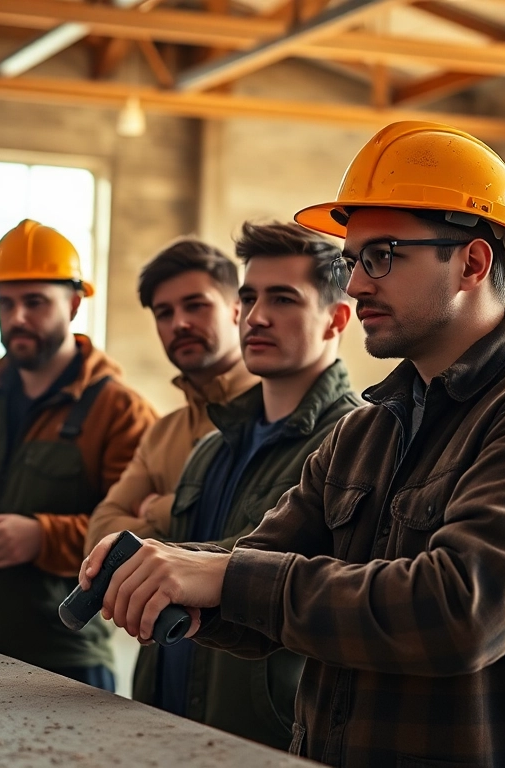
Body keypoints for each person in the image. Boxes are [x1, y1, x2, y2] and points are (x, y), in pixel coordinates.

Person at [83, 121, 505, 765]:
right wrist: (165, 571)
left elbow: (462, 611)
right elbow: (262, 563)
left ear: (472, 262)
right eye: (353, 261)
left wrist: (223, 575)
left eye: (383, 256)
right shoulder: (368, 429)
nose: (354, 284)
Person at [0, 219, 157, 691]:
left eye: (35, 302)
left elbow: (144, 533)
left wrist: (43, 538)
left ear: (74, 304)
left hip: (66, 664)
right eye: (6, 303)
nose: (17, 317)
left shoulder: (121, 413)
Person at [133, 222, 360, 748]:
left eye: (283, 299)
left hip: (263, 736)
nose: (255, 316)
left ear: (336, 319)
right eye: (250, 297)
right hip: (161, 717)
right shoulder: (210, 449)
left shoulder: (353, 446)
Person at [85, 237, 258, 551]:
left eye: (196, 305)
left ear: (237, 309)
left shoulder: (276, 413)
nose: (179, 323)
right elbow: (99, 534)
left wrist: (156, 509)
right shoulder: (161, 434)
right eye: (164, 313)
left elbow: (253, 545)